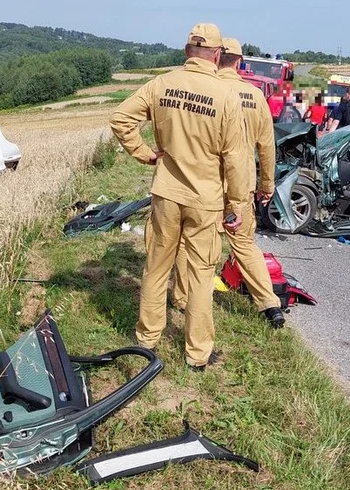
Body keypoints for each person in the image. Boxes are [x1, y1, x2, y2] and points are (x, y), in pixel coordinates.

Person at [109, 23, 247, 371]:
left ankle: (147, 339)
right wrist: (238, 204)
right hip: (206, 199)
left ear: (187, 51)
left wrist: (145, 153)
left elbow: (121, 118)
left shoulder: (162, 84)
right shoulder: (227, 95)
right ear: (217, 55)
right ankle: (197, 354)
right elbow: (235, 157)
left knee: (156, 267)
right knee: (201, 274)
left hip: (166, 193)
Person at [171, 37, 286, 329]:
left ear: (215, 57)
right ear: (239, 61)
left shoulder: (208, 91)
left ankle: (183, 298)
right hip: (241, 184)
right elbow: (267, 147)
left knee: (190, 242)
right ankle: (270, 304)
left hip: (205, 183)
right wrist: (267, 185)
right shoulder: (254, 96)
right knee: (245, 244)